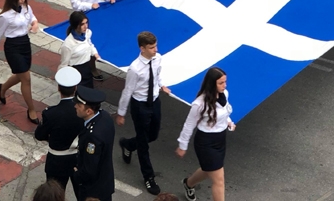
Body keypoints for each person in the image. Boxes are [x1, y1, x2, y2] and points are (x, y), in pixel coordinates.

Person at [116, 30, 167, 196]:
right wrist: (121, 113)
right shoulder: (135, 69)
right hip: (140, 106)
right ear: (142, 48)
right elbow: (127, 90)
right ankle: (149, 177)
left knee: (153, 135)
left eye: (156, 46)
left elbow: (157, 75)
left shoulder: (158, 59)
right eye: (152, 47)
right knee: (144, 142)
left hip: (155, 101)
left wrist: (162, 85)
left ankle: (128, 145)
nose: (155, 50)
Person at [177, 67, 235, 201]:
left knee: (209, 170)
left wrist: (229, 123)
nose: (224, 85)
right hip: (206, 142)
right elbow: (189, 124)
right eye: (221, 83)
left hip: (220, 139)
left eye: (225, 82)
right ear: (211, 83)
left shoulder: (224, 94)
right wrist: (182, 145)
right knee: (219, 180)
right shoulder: (199, 104)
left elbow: (224, 113)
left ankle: (188, 183)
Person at [0, 0, 40, 124]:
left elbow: (33, 18)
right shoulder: (5, 16)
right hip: (13, 47)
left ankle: (2, 88)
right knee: (26, 78)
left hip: (25, 44)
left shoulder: (26, 8)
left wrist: (35, 24)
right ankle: (31, 109)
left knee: (21, 75)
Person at [34, 66, 84, 190]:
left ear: (58, 88)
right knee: (82, 194)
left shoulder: (50, 113)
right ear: (75, 88)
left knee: (55, 195)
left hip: (56, 160)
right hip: (79, 159)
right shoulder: (83, 112)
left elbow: (39, 135)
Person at [72, 86, 114, 201]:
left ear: (89, 111)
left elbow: (89, 169)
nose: (75, 106)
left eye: (79, 105)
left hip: (93, 190)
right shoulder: (105, 117)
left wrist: (76, 175)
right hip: (104, 182)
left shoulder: (93, 137)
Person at [58, 10, 99, 88]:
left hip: (87, 68)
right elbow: (64, 64)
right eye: (82, 24)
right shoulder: (68, 44)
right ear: (75, 25)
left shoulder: (87, 33)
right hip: (75, 71)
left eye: (86, 23)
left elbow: (89, 44)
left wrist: (95, 54)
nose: (86, 26)